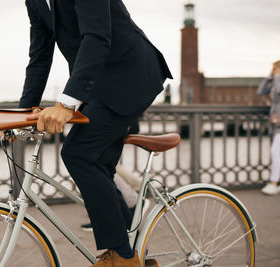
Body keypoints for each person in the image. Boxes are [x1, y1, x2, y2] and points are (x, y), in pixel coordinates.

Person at [19, 0, 172, 266]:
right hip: (98, 82)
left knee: (78, 153)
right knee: (98, 164)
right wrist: (23, 113)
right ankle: (135, 255)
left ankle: (122, 257)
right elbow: (40, 56)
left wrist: (67, 103)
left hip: (130, 74)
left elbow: (97, 37)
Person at [257, 60, 280, 195]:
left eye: (274, 68)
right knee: (279, 153)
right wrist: (269, 77)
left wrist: (278, 76)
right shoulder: (275, 81)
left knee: (275, 152)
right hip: (276, 122)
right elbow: (260, 91)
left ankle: (273, 183)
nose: (272, 71)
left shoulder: (279, 82)